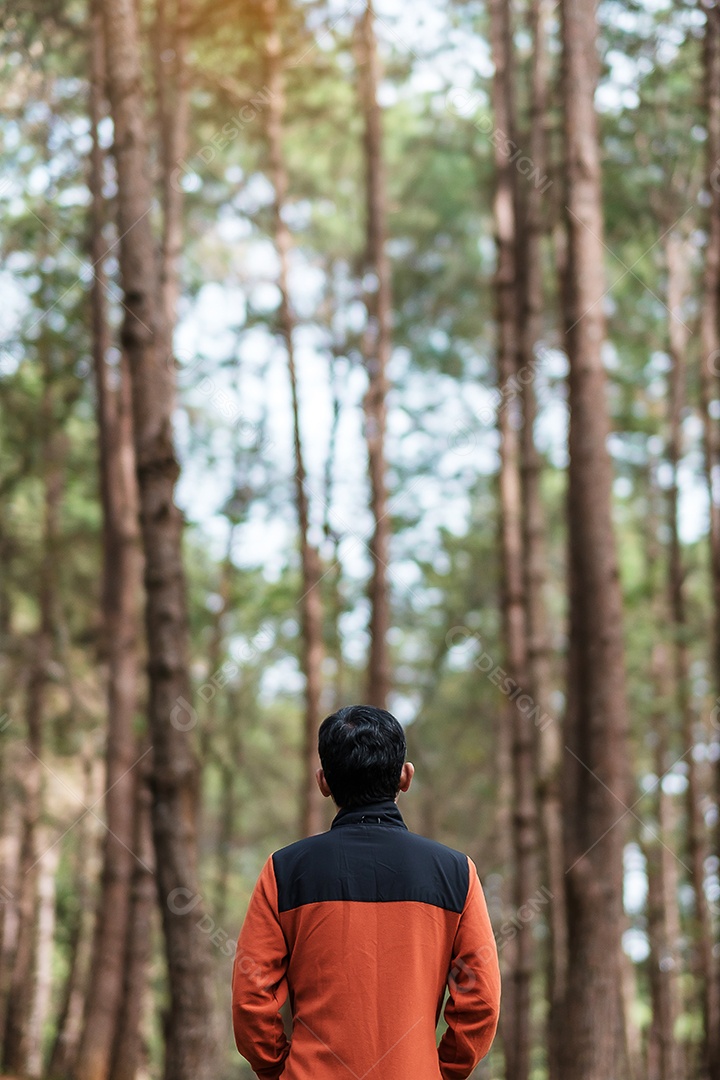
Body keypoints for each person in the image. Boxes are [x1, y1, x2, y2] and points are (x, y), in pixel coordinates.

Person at [231, 704, 501, 1080]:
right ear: (405, 777)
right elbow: (482, 1001)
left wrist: (279, 1069)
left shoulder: (283, 871)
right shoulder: (456, 873)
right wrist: (437, 1071)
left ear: (323, 781)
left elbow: (251, 999)